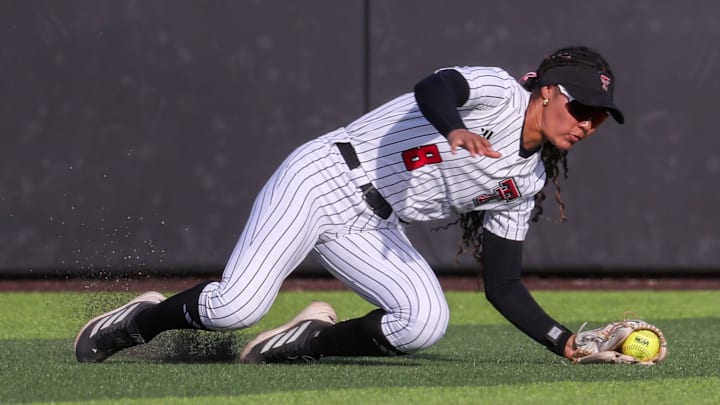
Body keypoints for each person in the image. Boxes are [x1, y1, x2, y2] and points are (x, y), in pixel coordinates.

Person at [75, 45, 624, 364]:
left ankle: (307, 340)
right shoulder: (500, 91)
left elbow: (502, 284)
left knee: (423, 323)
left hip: (373, 224)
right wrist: (454, 129)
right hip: (323, 176)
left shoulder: (524, 181)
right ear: (547, 92)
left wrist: (566, 341)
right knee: (233, 309)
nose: (587, 123)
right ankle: (140, 321)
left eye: (599, 117)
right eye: (582, 107)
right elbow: (434, 86)